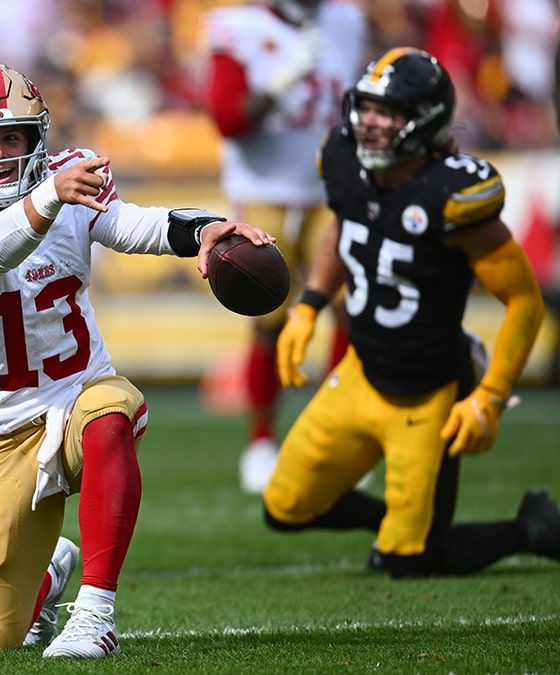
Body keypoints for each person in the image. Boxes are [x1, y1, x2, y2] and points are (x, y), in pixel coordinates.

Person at [0, 63, 277, 658]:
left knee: (109, 415)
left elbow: (133, 225)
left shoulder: (64, 179)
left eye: (12, 137)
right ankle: (50, 576)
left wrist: (202, 228)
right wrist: (48, 197)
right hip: (0, 437)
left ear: (36, 138)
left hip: (79, 395)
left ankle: (95, 614)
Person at [266, 47, 560, 578]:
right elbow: (344, 225)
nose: (370, 123)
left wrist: (490, 397)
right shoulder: (342, 158)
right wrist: (309, 304)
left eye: (388, 112)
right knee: (284, 507)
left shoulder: (454, 194)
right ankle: (406, 521)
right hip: (360, 373)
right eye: (366, 107)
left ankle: (530, 527)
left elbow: (524, 301)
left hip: (428, 395)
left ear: (423, 119)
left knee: (412, 562)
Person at [203, 0, 366, 494]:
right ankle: (261, 440)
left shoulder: (346, 19)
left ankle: (337, 437)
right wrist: (279, 83)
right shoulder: (235, 26)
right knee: (266, 314)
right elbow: (228, 117)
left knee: (349, 310)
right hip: (264, 186)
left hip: (328, 188)